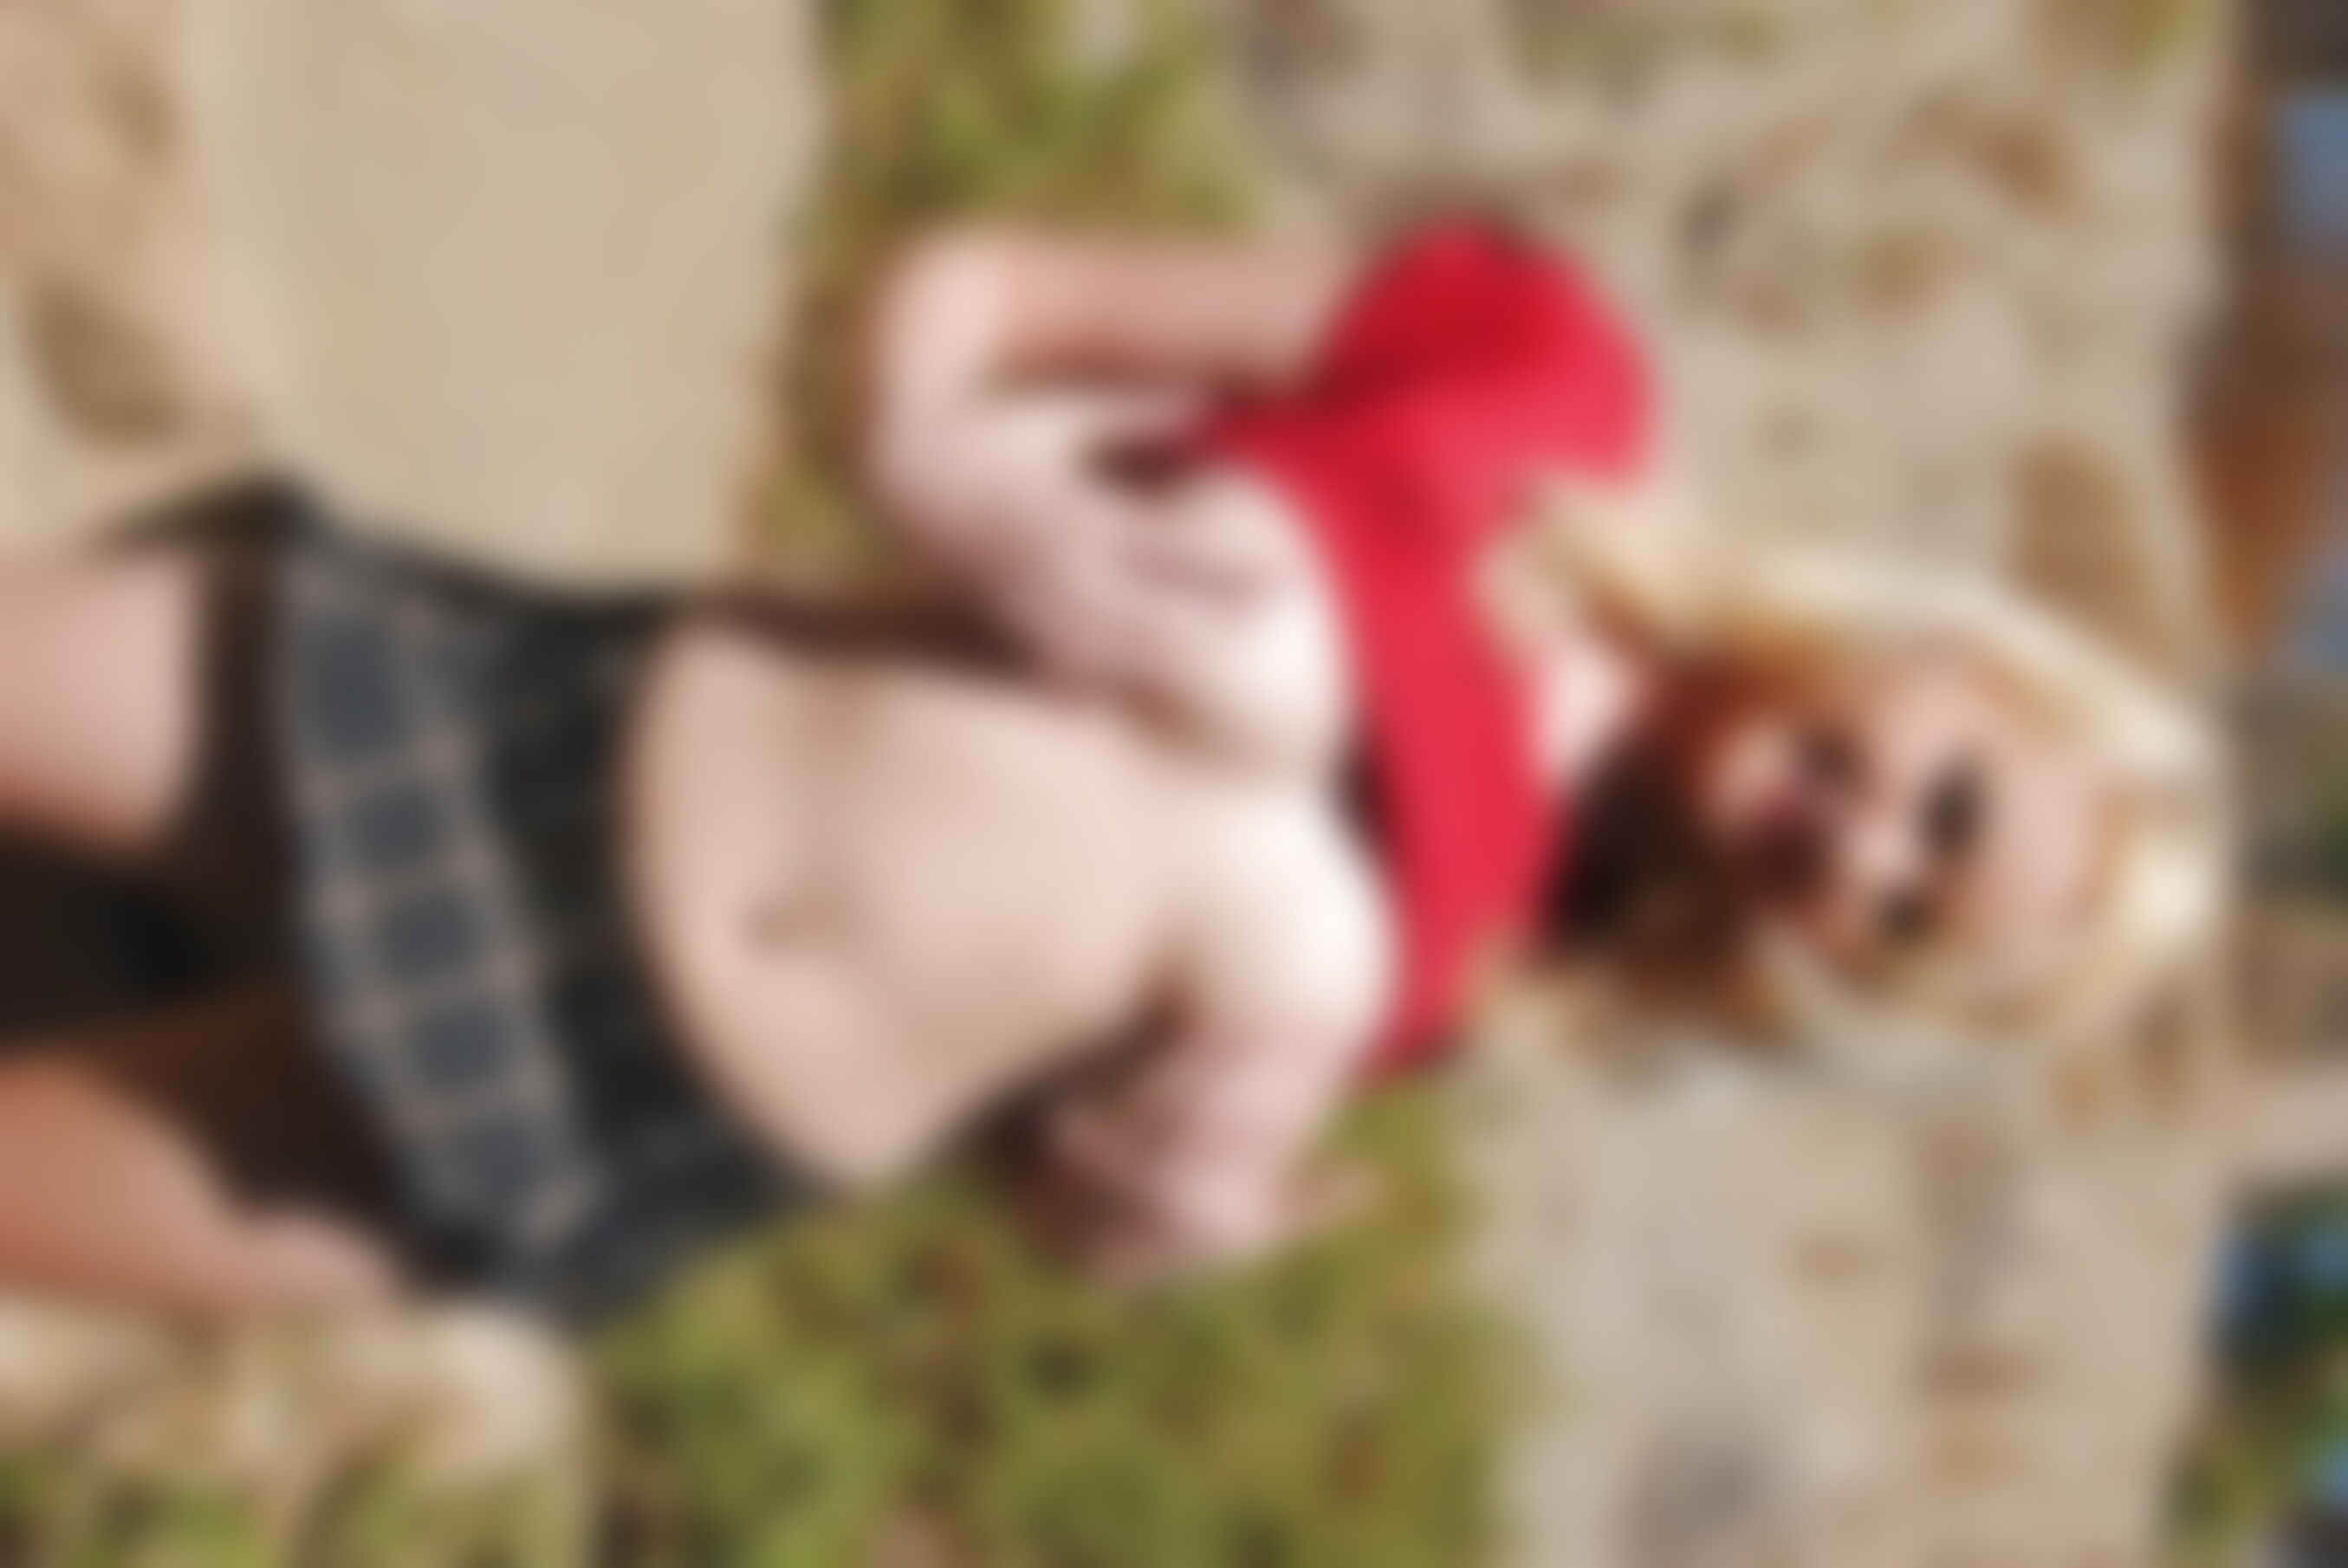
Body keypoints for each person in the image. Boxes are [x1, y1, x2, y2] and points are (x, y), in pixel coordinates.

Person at [0, 221, 2221, 1328]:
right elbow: (989, 281)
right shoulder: (1544, 385)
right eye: (1944, 800)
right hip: (515, 721)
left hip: (600, 1122)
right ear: (1959, 662)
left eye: (1900, 921)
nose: (1859, 846)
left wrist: (1109, 1208)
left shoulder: (1514, 972)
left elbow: (1024, 1090)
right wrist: (915, 455)